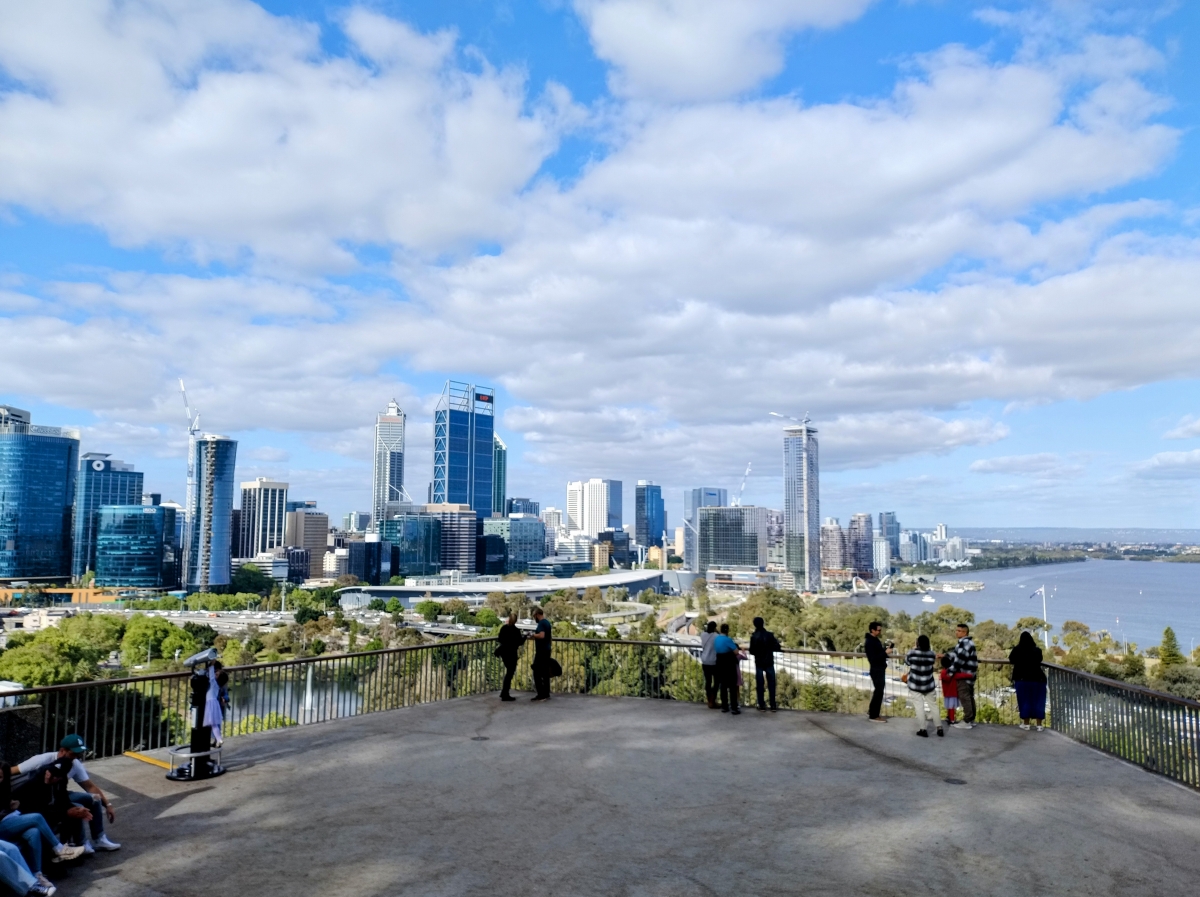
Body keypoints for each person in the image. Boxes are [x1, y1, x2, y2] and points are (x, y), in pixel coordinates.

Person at [12, 736, 120, 853]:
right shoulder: (42, 760)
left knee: (94, 798)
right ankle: (81, 842)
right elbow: (12, 770)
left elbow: (90, 786)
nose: (76, 758)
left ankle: (99, 838)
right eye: (74, 754)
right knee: (76, 806)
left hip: (59, 793)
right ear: (63, 750)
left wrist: (108, 805)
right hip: (38, 797)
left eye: (79, 754)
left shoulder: (74, 763)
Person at [0, 760, 83, 893]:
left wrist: (10, 806)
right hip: (3, 826)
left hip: (9, 820)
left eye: (1, 777)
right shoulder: (34, 783)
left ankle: (37, 875)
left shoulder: (3, 788)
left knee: (34, 832)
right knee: (37, 817)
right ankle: (59, 849)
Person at [10, 759, 94, 862]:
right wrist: (66, 812)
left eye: (57, 778)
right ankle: (58, 851)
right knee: (61, 816)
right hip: (29, 814)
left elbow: (63, 800)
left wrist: (73, 808)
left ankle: (74, 845)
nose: (53, 779)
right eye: (52, 776)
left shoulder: (60, 780)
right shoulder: (33, 785)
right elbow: (38, 811)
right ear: (47, 773)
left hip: (47, 811)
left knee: (76, 808)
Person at [904, 635, 942, 738]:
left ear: (917, 643)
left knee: (919, 707)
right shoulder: (931, 654)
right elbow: (932, 662)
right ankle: (939, 728)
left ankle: (923, 729)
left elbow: (907, 662)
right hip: (928, 684)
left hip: (915, 685)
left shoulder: (911, 653)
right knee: (933, 706)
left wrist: (913, 649)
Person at [1009, 630, 1047, 731]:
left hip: (1022, 679)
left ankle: (1026, 724)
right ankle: (1039, 725)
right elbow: (1040, 660)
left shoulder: (1017, 650)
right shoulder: (1037, 650)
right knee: (1039, 701)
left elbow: (1011, 659)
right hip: (1038, 679)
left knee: (1024, 701)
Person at [943, 623, 978, 729]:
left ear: (964, 632)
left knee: (965, 697)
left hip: (964, 674)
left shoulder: (965, 644)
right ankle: (970, 719)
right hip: (969, 674)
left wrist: (950, 672)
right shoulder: (964, 643)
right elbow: (956, 654)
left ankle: (967, 720)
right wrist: (945, 655)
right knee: (969, 697)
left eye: (958, 630)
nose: (956, 632)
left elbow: (959, 660)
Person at [748, 617, 781, 712]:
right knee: (771, 684)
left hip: (759, 662)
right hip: (769, 662)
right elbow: (777, 646)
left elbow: (752, 651)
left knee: (760, 684)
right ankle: (773, 705)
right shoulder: (770, 635)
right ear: (763, 623)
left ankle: (761, 704)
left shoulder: (754, 637)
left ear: (755, 624)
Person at [864, 621, 891, 722]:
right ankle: (874, 715)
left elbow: (878, 652)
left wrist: (885, 650)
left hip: (879, 669)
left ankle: (872, 711)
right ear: (873, 630)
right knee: (879, 692)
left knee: (878, 691)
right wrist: (885, 652)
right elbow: (873, 658)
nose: (880, 632)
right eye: (878, 630)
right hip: (876, 669)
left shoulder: (875, 640)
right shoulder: (870, 642)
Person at [496, 611, 525, 702]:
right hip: (511, 654)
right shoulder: (516, 631)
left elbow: (499, 639)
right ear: (515, 621)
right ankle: (505, 694)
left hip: (504, 653)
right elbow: (520, 642)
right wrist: (525, 637)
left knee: (508, 673)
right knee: (510, 673)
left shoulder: (504, 628)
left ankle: (504, 693)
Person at [714, 624, 741, 715]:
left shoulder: (717, 639)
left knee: (723, 686)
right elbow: (736, 652)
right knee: (732, 686)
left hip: (719, 663)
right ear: (727, 630)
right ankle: (734, 707)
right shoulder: (728, 640)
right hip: (729, 664)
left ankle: (724, 706)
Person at [529, 607, 553, 702]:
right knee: (545, 673)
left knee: (536, 672)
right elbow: (549, 637)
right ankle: (546, 693)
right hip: (546, 650)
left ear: (537, 615)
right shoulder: (547, 622)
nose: (534, 618)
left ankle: (540, 694)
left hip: (541, 652)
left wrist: (533, 635)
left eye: (534, 616)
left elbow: (542, 635)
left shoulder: (542, 623)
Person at [699, 621, 719, 709]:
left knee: (708, 682)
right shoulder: (716, 636)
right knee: (717, 682)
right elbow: (720, 636)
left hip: (704, 661)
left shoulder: (702, 635)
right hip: (714, 662)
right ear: (714, 628)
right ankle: (713, 700)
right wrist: (716, 631)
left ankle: (709, 700)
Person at [939, 655, 960, 725]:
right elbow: (961, 675)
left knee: (948, 706)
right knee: (952, 707)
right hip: (953, 691)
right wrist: (970, 675)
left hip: (946, 692)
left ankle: (948, 717)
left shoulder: (942, 673)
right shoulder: (953, 673)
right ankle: (952, 720)